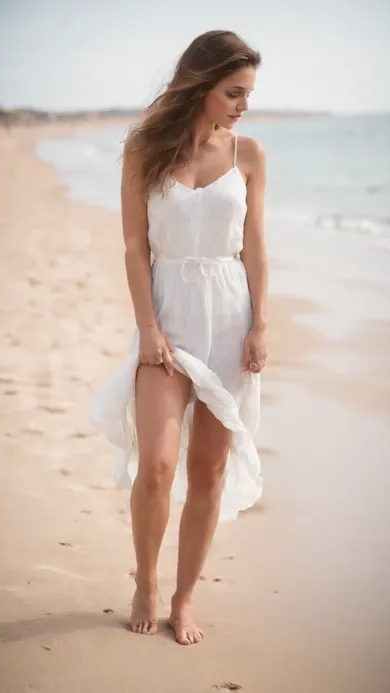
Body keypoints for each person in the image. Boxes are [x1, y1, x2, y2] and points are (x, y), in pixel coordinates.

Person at [91, 29, 268, 645]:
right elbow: (136, 245)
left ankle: (183, 598)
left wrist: (261, 325)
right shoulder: (146, 148)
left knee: (209, 471)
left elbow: (255, 249)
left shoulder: (248, 154)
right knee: (159, 466)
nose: (243, 104)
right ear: (201, 84)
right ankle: (144, 579)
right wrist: (147, 327)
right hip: (166, 313)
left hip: (230, 315)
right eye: (234, 92)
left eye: (248, 94)